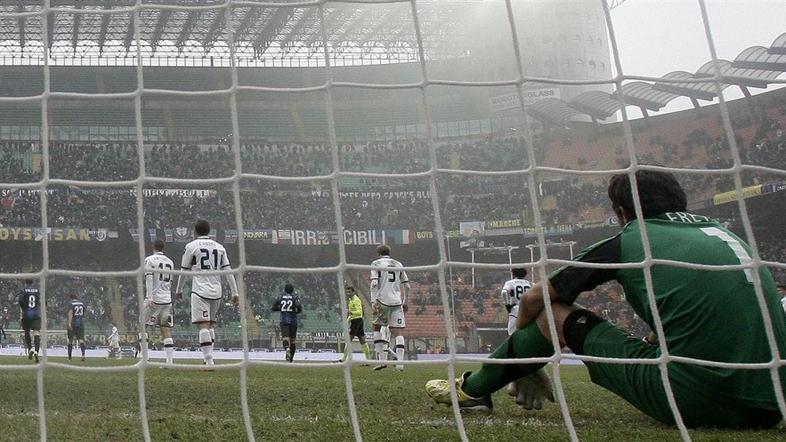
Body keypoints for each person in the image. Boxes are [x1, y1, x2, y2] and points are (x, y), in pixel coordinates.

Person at [426, 170, 786, 429]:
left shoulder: (632, 238)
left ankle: (472, 390)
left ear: (620, 212)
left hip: (698, 402)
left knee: (555, 313)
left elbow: (535, 298)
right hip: (772, 404)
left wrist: (532, 364)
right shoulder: (723, 233)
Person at [175, 220, 239, 367]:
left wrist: (178, 290)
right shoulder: (220, 247)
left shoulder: (191, 246)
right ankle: (208, 359)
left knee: (203, 325)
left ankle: (209, 361)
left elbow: (184, 270)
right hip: (217, 291)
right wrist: (235, 292)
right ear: (209, 231)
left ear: (195, 231)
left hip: (200, 290)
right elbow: (228, 271)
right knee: (210, 325)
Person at [370, 244, 410, 371]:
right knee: (398, 332)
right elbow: (407, 286)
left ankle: (381, 361)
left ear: (378, 253)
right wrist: (405, 301)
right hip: (397, 302)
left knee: (377, 327)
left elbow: (374, 283)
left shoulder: (375, 264)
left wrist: (373, 301)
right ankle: (400, 364)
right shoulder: (398, 264)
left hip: (382, 301)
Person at [500, 268, 532, 400]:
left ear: (513, 274)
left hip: (515, 311)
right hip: (529, 312)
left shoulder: (511, 283)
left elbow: (504, 292)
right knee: (526, 340)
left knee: (512, 340)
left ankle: (513, 373)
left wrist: (508, 305)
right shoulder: (531, 284)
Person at [143, 239, 176, 364]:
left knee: (141, 326)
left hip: (154, 299)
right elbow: (170, 281)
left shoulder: (149, 260)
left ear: (153, 247)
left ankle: (145, 358)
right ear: (163, 248)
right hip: (167, 300)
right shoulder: (170, 262)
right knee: (166, 329)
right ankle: (170, 360)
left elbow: (149, 278)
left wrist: (150, 297)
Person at [271, 283, 302, 362]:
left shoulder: (281, 297)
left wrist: (281, 308)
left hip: (284, 320)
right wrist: (296, 310)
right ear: (292, 290)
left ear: (285, 290)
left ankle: (287, 349)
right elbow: (299, 307)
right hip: (293, 321)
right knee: (293, 341)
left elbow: (273, 308)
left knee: (285, 338)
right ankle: (291, 359)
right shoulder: (295, 297)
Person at [342, 285, 372, 362]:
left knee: (349, 340)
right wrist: (347, 321)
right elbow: (352, 314)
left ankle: (344, 359)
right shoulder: (351, 300)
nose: (348, 293)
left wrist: (350, 312)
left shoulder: (356, 300)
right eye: (347, 292)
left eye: (349, 292)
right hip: (355, 321)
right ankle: (368, 360)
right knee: (362, 340)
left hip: (357, 321)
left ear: (353, 292)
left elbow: (359, 313)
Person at [17, 279, 41, 362]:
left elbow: (20, 300)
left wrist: (24, 308)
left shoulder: (23, 290)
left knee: (26, 331)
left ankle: (30, 348)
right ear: (33, 282)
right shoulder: (37, 290)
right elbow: (40, 301)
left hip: (26, 314)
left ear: (26, 282)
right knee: (36, 332)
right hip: (36, 314)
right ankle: (36, 351)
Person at [67, 294, 86, 361]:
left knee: (70, 340)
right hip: (80, 323)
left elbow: (70, 313)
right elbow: (83, 313)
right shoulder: (82, 304)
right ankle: (83, 354)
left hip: (73, 322)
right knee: (81, 339)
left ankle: (69, 358)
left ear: (71, 298)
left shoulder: (71, 303)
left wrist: (69, 323)